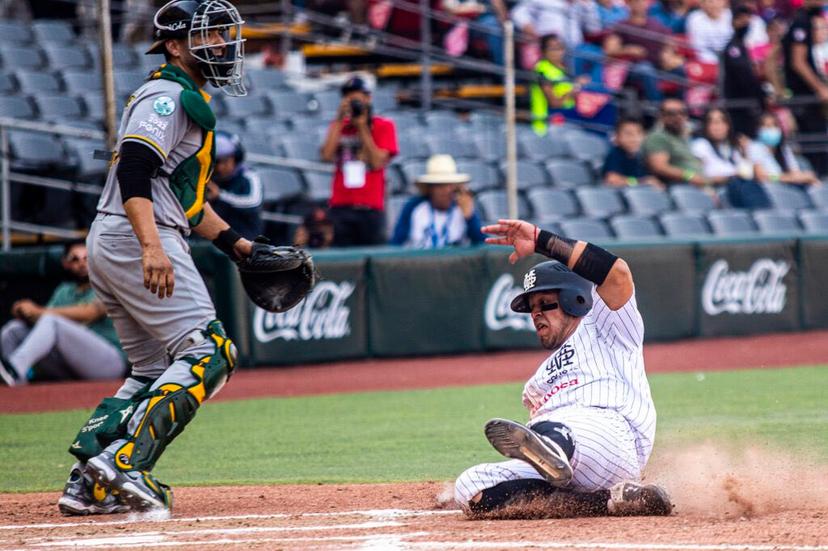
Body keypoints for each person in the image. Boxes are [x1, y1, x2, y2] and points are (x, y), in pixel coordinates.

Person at [55, 0, 258, 517]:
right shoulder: (167, 96)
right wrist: (151, 247)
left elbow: (184, 197)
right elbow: (136, 171)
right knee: (210, 352)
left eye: (223, 34)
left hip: (121, 234)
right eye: (209, 36)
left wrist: (238, 245)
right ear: (174, 45)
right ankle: (125, 466)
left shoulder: (178, 93)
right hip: (137, 236)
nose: (222, 44)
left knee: (150, 370)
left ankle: (88, 481)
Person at [454, 218, 672, 518]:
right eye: (531, 308)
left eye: (546, 304)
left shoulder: (605, 325)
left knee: (557, 430)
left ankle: (553, 446)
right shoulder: (537, 380)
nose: (536, 314)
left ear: (575, 299)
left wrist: (541, 240)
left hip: (613, 436)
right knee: (469, 488)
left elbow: (617, 273)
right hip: (563, 453)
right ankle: (610, 500)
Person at [0, 241, 126, 386]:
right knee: (13, 330)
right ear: (65, 263)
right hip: (72, 364)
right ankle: (13, 383)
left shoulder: (108, 285)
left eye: (87, 258)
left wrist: (36, 311)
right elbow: (41, 324)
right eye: (75, 259)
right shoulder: (64, 290)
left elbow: (89, 313)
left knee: (51, 321)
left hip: (110, 363)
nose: (82, 264)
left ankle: (13, 370)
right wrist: (23, 310)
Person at [321, 76, 398, 246]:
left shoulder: (384, 126)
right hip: (341, 205)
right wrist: (340, 120)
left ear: (368, 98)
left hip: (370, 207)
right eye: (348, 97)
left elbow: (378, 162)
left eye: (358, 97)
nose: (353, 101)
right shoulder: (339, 126)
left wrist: (362, 127)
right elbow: (326, 155)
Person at [389, 154, 485, 248]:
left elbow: (482, 245)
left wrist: (469, 218)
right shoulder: (413, 207)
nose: (446, 190)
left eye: (450, 185)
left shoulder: (464, 209)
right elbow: (396, 244)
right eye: (440, 185)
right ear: (430, 188)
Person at [690, 108, 771, 207]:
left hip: (740, 189)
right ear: (706, 126)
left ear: (728, 125)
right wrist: (726, 178)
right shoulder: (701, 145)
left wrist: (745, 154)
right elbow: (698, 177)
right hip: (719, 190)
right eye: (713, 123)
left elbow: (747, 174)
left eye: (721, 122)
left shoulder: (733, 148)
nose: (717, 127)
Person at [602, 0, 680, 102]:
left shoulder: (655, 23)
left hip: (658, 64)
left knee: (680, 68)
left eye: (642, 1)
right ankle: (657, 108)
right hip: (632, 68)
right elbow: (609, 50)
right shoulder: (621, 25)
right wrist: (627, 50)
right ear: (628, 4)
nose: (640, 4)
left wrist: (668, 53)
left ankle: (682, 110)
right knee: (646, 69)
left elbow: (670, 41)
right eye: (636, 2)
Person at [782, 0, 828, 175]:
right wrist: (820, 88)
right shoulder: (801, 22)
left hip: (806, 96)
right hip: (804, 96)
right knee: (814, 147)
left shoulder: (806, 20)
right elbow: (798, 61)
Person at [721, 3, 768, 139]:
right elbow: (744, 76)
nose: (745, 23)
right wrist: (761, 94)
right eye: (741, 19)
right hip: (739, 104)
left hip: (747, 104)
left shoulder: (742, 46)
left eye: (747, 19)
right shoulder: (733, 48)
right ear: (733, 22)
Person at [206, 131, 264, 240]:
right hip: (211, 238)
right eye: (216, 162)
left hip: (243, 236)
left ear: (236, 158)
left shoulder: (249, 176)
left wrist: (220, 196)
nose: (220, 167)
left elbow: (253, 202)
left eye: (225, 161)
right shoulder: (206, 176)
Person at [531, 34, 591, 136]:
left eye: (560, 48)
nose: (558, 52)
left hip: (567, 119)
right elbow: (555, 103)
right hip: (546, 125)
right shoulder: (542, 70)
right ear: (543, 51)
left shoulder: (564, 69)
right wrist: (575, 88)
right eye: (553, 48)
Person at [643, 98, 708, 187]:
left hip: (700, 187)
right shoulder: (658, 137)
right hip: (681, 189)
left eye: (682, 112)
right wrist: (689, 176)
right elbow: (660, 167)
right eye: (672, 113)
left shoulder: (682, 137)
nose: (678, 117)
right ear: (661, 116)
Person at [747, 111, 823, 186]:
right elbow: (762, 177)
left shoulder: (784, 149)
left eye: (774, 126)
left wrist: (805, 177)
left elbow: (795, 173)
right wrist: (784, 178)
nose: (771, 129)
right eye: (767, 126)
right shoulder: (755, 147)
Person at [685, 0, 767, 63]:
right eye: (705, 1)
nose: (710, 4)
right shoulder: (694, 18)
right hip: (709, 62)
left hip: (737, 60)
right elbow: (699, 48)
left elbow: (748, 45)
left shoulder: (734, 17)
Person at [602, 118, 662, 187]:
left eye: (639, 133)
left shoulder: (642, 158)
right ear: (616, 137)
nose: (634, 138)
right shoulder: (615, 155)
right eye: (628, 134)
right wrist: (639, 182)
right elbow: (613, 179)